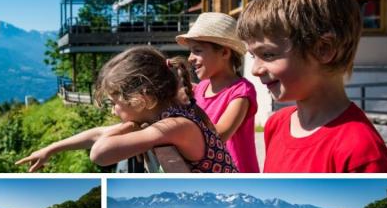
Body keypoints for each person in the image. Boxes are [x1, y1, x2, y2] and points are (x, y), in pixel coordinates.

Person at [236, 0, 387, 173]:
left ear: (324, 49)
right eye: (253, 56)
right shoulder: (276, 124)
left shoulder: (361, 152)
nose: (255, 70)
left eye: (267, 54)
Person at [16, 46, 237, 173]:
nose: (113, 112)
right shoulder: (171, 115)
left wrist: (129, 126)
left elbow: (99, 154)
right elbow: (97, 134)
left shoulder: (174, 125)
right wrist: (51, 149)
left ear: (143, 98)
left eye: (115, 103)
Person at [176, 12, 259, 173]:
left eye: (197, 50)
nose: (190, 58)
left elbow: (219, 136)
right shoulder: (200, 88)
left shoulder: (241, 91)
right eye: (191, 51)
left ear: (224, 53)